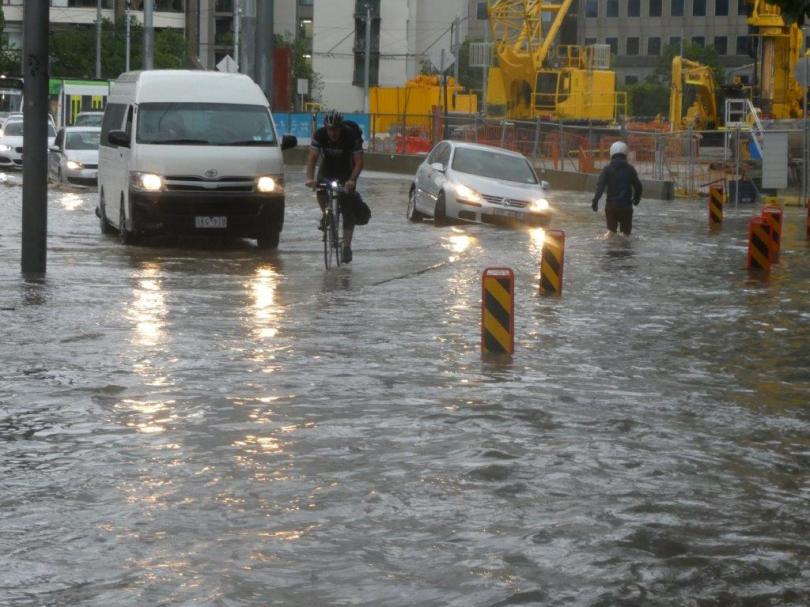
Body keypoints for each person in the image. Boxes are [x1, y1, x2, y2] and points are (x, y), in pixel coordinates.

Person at [305, 110, 365, 263]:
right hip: (327, 170)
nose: (333, 133)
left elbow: (359, 162)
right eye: (330, 129)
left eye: (336, 129)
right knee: (320, 190)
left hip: (347, 172)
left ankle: (347, 247)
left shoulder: (350, 135)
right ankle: (326, 215)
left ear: (341, 128)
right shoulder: (320, 135)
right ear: (325, 127)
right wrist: (310, 178)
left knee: (348, 208)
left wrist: (352, 180)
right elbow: (312, 158)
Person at [591, 141, 642, 236]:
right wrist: (636, 199)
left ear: (612, 153)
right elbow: (638, 186)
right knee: (626, 235)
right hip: (626, 207)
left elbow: (600, 187)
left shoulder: (607, 169)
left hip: (611, 207)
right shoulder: (630, 169)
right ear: (626, 153)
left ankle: (610, 243)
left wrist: (595, 201)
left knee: (611, 233)